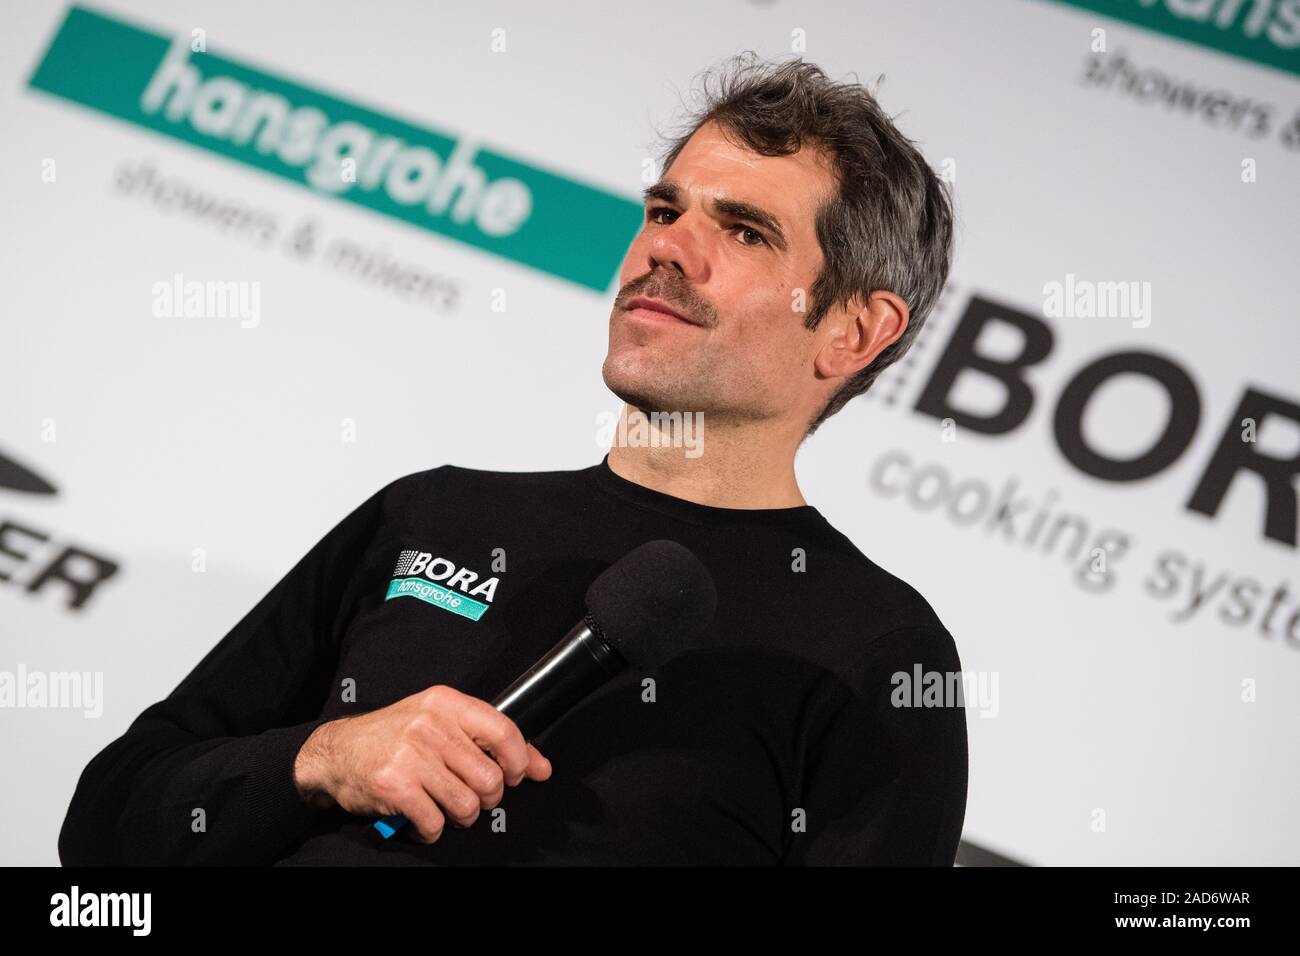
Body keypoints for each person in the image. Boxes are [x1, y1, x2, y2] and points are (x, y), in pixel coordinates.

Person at [58, 53, 966, 866]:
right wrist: (322, 760)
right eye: (663, 208)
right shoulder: (431, 513)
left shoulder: (876, 651)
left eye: (744, 231)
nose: (664, 247)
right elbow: (106, 828)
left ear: (853, 330)